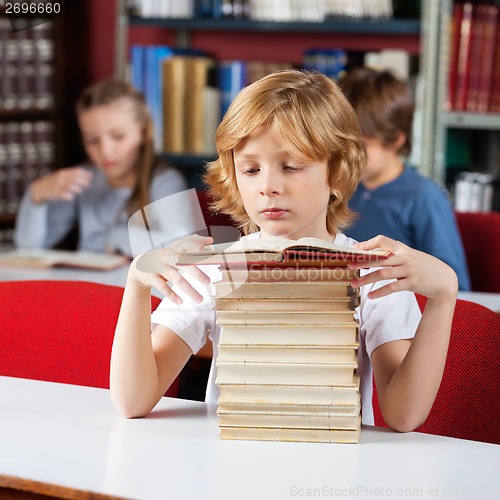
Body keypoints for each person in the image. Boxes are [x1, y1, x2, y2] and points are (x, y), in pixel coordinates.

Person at [110, 70, 458, 432]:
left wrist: (443, 295)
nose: (268, 187)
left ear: (336, 173)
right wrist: (136, 283)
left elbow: (403, 416)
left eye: (291, 167)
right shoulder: (217, 268)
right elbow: (132, 400)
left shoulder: (372, 275)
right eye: (250, 169)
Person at [14, 79, 188, 257]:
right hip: (87, 281)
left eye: (119, 136)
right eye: (92, 140)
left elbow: (182, 247)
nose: (105, 151)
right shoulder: (84, 178)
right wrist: (36, 195)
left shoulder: (165, 180)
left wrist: (117, 236)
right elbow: (28, 249)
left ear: (143, 133)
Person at [339, 67, 471, 291]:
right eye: (342, 143)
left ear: (396, 140)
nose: (347, 154)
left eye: (361, 145)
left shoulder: (424, 197)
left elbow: (455, 286)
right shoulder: (338, 188)